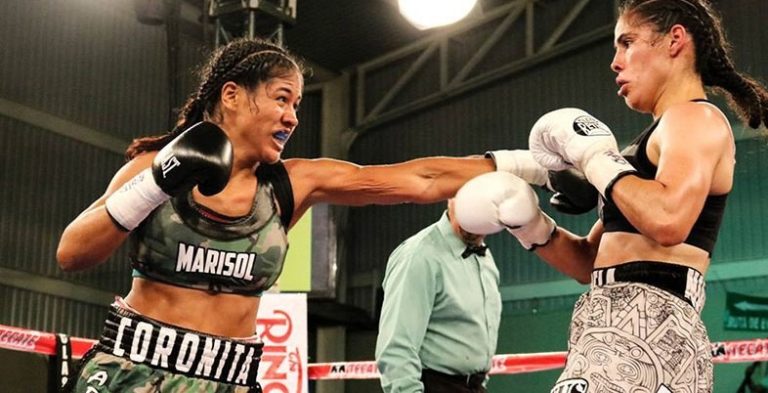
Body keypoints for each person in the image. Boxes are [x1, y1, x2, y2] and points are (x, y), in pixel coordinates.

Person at [55, 37, 508, 393]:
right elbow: (71, 253)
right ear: (232, 94)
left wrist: (532, 165)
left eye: (296, 106)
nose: (291, 117)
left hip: (229, 380)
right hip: (133, 372)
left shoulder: (291, 185)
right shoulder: (153, 166)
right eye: (281, 98)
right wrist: (156, 183)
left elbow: (422, 179)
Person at [459, 1, 768, 392]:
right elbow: (591, 262)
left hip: (646, 331)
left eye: (627, 43)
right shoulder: (644, 151)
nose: (615, 62)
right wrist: (531, 227)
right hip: (617, 328)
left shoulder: (694, 119)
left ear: (675, 40)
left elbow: (669, 218)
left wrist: (596, 160)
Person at [375, 193, 502, 393]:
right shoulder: (421, 256)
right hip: (433, 386)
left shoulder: (485, 260)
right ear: (450, 198)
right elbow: (396, 347)